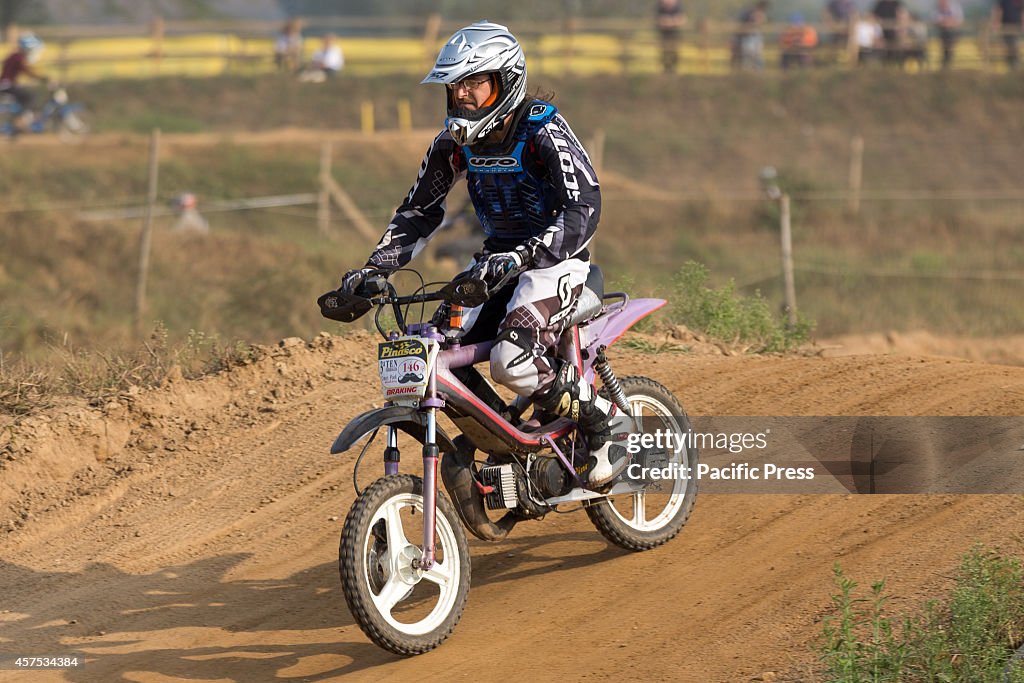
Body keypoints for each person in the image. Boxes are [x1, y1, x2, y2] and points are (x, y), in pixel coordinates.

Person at [334, 21, 631, 488]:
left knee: (510, 357)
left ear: (505, 82)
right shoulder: (452, 145)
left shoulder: (541, 128)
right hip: (494, 264)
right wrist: (374, 269)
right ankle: (504, 439)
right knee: (431, 348)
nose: (463, 95)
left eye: (475, 82)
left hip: (556, 263)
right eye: (456, 86)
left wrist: (530, 253)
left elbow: (585, 204)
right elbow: (418, 212)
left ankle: (602, 423)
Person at [0, 33, 48, 134]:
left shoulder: (15, 56)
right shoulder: (18, 58)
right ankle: (21, 121)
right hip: (6, 85)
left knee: (23, 96)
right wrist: (43, 78)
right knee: (29, 96)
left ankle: (18, 120)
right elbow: (28, 71)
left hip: (6, 84)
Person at [732, 1, 770, 70]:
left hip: (752, 36)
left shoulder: (754, 13)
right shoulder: (753, 13)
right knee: (750, 55)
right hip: (750, 36)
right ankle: (751, 71)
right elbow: (758, 21)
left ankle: (754, 71)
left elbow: (760, 22)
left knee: (753, 55)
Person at [656, 0, 687, 74]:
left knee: (674, 51)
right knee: (665, 52)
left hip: (675, 35)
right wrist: (671, 22)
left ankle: (673, 69)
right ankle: (666, 69)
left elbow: (682, 19)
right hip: (664, 36)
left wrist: (670, 22)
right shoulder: (660, 7)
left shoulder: (677, 7)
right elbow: (658, 19)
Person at [991, 0, 1024, 69]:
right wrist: (996, 22)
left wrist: (1023, 24)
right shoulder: (1004, 1)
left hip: (1016, 26)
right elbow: (998, 10)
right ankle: (1012, 64)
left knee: (1014, 45)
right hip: (1006, 26)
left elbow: (1022, 12)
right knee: (1009, 45)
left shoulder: (1019, 1)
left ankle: (1014, 64)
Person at [935, 0, 964, 68]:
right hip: (944, 32)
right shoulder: (937, 8)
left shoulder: (956, 7)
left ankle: (947, 58)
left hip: (955, 32)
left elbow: (960, 21)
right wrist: (946, 23)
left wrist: (949, 23)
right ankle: (947, 58)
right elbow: (936, 20)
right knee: (946, 35)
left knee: (948, 36)